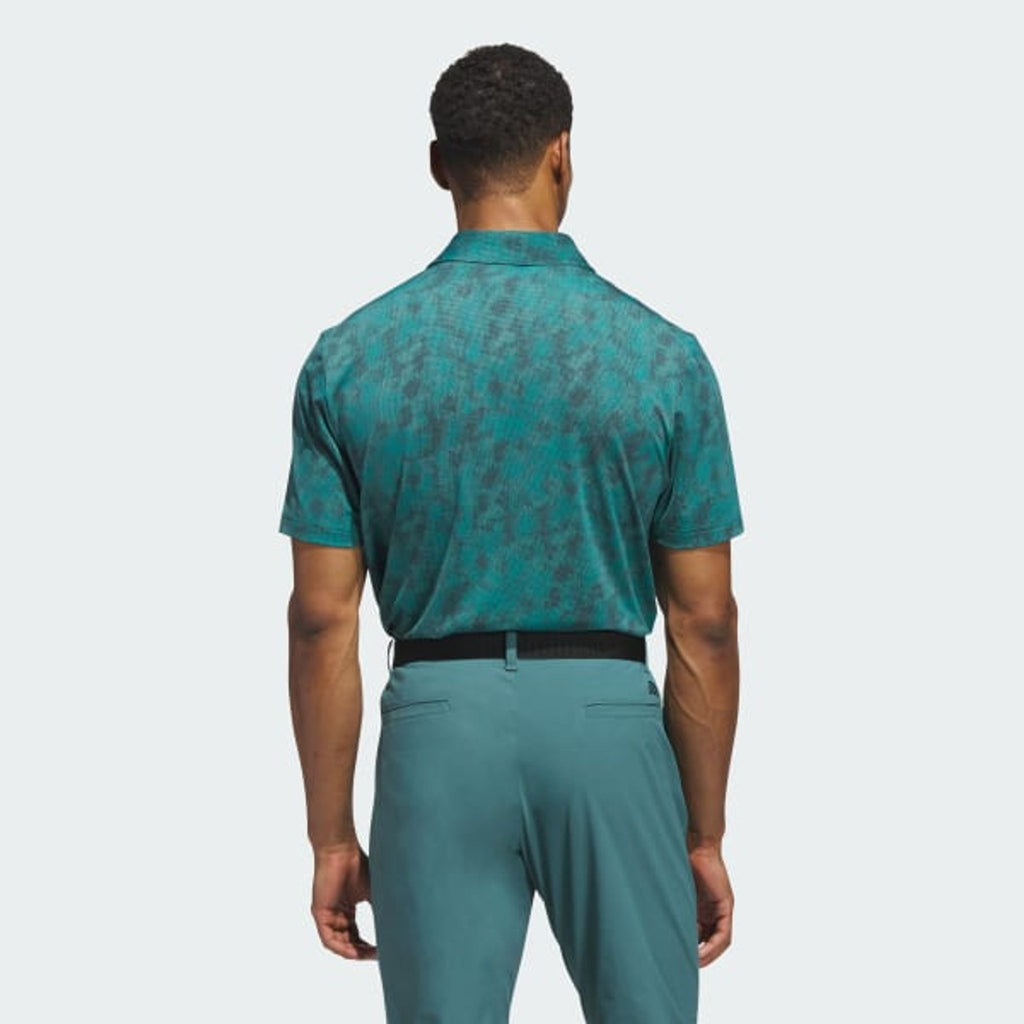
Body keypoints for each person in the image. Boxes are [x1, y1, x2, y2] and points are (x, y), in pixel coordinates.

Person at [278, 41, 744, 1024]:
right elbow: (703, 621)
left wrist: (332, 836)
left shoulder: (348, 359)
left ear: (438, 165)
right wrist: (700, 834)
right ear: (562, 154)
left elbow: (321, 619)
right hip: (608, 723)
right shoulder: (662, 358)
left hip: (436, 728)